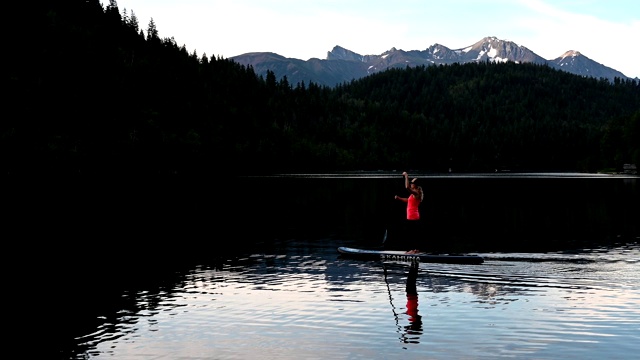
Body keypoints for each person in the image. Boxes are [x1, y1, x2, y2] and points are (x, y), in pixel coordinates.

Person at [394, 172, 424, 253]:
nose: (411, 184)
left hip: (413, 216)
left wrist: (406, 176)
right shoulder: (413, 194)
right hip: (411, 216)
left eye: (412, 183)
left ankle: (413, 250)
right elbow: (408, 200)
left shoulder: (416, 193)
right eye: (411, 183)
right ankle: (415, 249)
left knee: (411, 234)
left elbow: (406, 187)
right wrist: (399, 198)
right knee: (411, 233)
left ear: (416, 185)